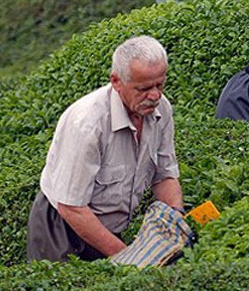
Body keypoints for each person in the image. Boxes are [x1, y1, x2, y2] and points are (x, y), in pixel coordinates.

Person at [27, 35, 184, 262]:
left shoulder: (162, 110)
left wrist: (174, 222)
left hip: (107, 225)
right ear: (116, 82)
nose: (155, 96)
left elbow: (164, 175)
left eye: (160, 84)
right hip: (62, 228)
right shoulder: (87, 123)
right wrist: (128, 257)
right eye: (144, 88)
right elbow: (71, 206)